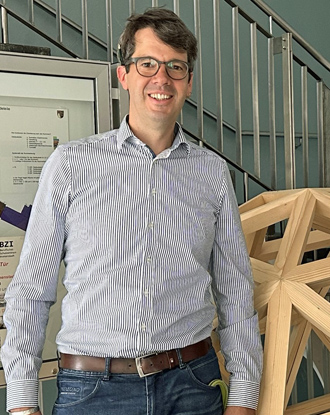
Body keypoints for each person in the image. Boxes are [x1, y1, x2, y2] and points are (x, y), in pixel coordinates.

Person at [1, 8, 262, 415]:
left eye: (176, 67)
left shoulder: (212, 173)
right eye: (147, 64)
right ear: (124, 75)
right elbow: (31, 291)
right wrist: (21, 402)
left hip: (192, 386)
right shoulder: (70, 165)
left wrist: (244, 396)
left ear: (189, 82)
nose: (162, 78)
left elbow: (235, 290)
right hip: (93, 391)